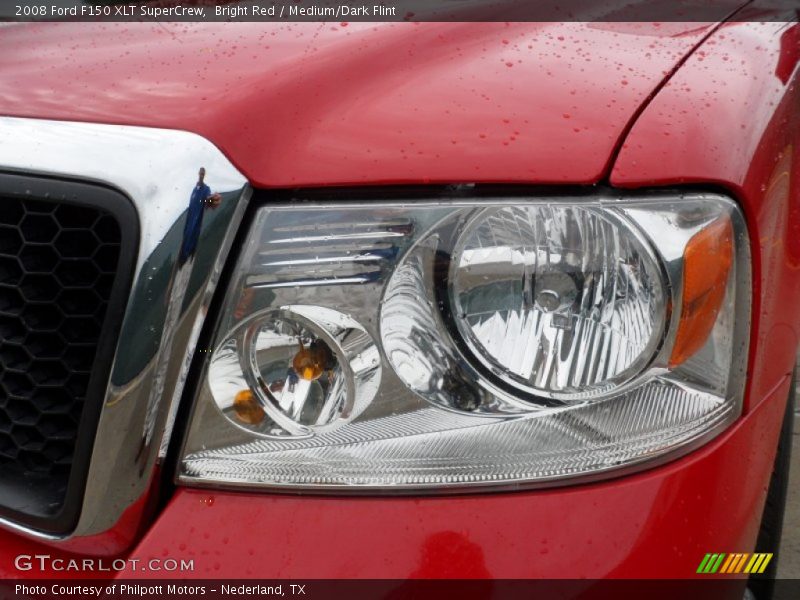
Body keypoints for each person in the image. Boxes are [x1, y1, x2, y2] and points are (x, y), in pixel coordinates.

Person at [178, 167, 221, 267]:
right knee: (186, 237)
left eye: (203, 174)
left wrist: (212, 200)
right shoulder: (194, 189)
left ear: (204, 175)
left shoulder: (206, 189)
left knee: (191, 238)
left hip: (195, 223)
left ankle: (187, 257)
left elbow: (205, 201)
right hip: (188, 221)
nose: (201, 175)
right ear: (198, 174)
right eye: (200, 173)